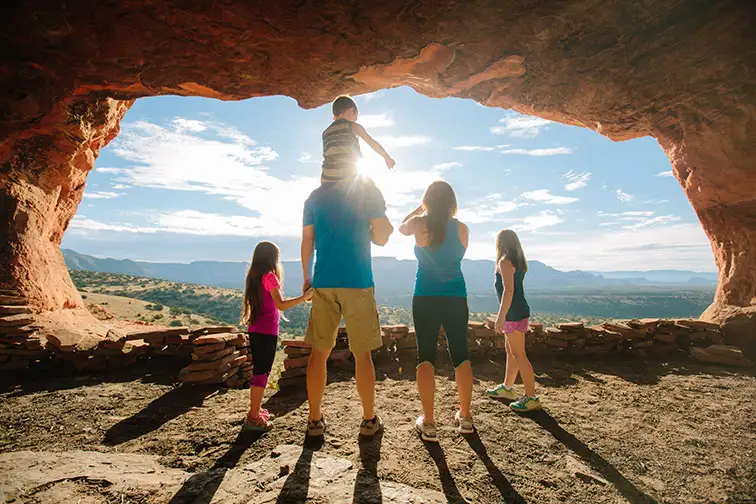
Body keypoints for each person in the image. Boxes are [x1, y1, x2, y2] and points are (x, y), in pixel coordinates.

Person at [301, 173, 393, 438]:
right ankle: (368, 420)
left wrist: (308, 276)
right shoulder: (365, 188)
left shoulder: (314, 197)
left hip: (324, 281)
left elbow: (308, 241)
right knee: (362, 354)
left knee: (319, 353)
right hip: (358, 281)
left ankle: (315, 421)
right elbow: (384, 235)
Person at [399, 181, 474, 442]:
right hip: (455, 297)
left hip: (425, 296)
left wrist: (419, 209)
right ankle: (465, 417)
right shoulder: (463, 228)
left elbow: (401, 227)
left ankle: (429, 422)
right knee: (461, 353)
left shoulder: (420, 223)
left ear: (428, 200)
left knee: (426, 356)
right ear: (452, 202)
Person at [240, 241, 313, 432]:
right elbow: (281, 305)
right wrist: (304, 298)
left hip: (256, 328)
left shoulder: (254, 275)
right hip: (266, 331)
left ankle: (254, 411)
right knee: (262, 373)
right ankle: (253, 417)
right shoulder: (270, 277)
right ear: (273, 258)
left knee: (260, 371)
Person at [485, 230, 542, 412]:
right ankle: (508, 388)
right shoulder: (518, 262)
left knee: (519, 355)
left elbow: (508, 291)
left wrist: (500, 317)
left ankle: (531, 397)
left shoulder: (504, 262)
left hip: (513, 314)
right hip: (519, 311)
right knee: (511, 352)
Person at [321, 95, 395, 183]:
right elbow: (372, 143)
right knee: (368, 186)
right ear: (351, 111)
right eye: (355, 118)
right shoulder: (353, 126)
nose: (355, 121)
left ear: (334, 116)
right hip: (348, 176)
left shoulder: (325, 132)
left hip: (327, 178)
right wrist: (386, 157)